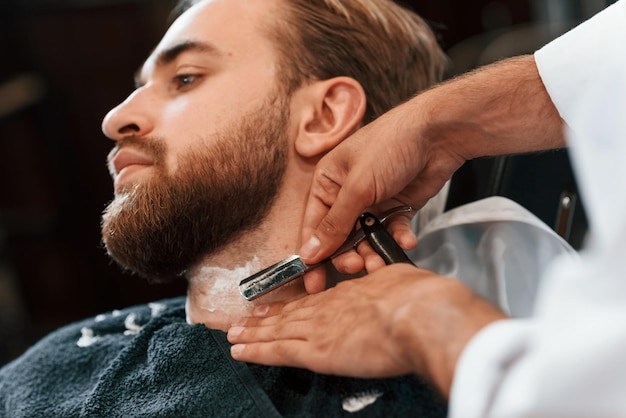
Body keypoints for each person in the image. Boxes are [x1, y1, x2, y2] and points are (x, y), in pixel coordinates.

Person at [0, 0, 451, 416]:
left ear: (323, 116)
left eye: (186, 78)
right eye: (139, 87)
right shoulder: (42, 373)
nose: (114, 119)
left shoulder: (458, 384)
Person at [227, 0, 626, 417]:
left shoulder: (507, 250)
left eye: (187, 79)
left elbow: (581, 398)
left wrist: (423, 317)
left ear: (325, 115)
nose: (147, 107)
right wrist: (438, 130)